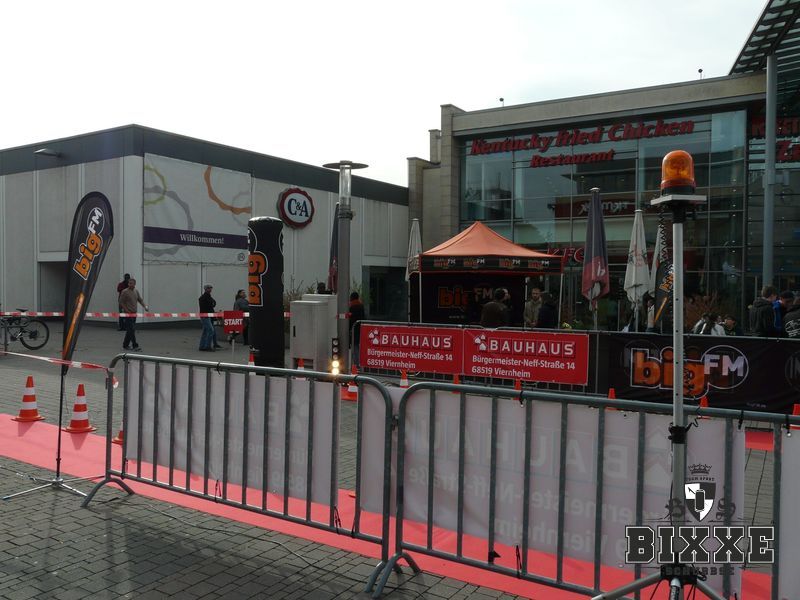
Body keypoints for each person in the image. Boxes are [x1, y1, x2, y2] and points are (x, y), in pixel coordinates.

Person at [118, 278, 148, 351]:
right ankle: (135, 345)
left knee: (130, 330)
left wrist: (145, 306)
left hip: (134, 314)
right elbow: (121, 302)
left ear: (135, 284)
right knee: (131, 329)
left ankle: (125, 345)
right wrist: (126, 310)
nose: (130, 284)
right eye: (129, 283)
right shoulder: (125, 292)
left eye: (132, 283)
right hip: (128, 314)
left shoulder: (136, 291)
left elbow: (140, 300)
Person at [199, 284, 221, 351]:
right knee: (210, 330)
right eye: (209, 288)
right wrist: (212, 304)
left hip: (208, 316)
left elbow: (213, 303)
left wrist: (212, 304)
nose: (210, 289)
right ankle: (207, 346)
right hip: (205, 316)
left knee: (206, 331)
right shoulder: (204, 297)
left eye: (211, 288)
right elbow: (210, 304)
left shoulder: (208, 296)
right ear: (205, 289)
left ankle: (202, 346)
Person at [349, 291, 365, 366]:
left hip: (354, 329)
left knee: (355, 346)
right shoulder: (361, 305)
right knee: (358, 346)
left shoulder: (352, 307)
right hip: (360, 328)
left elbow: (351, 319)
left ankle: (356, 363)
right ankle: (359, 362)